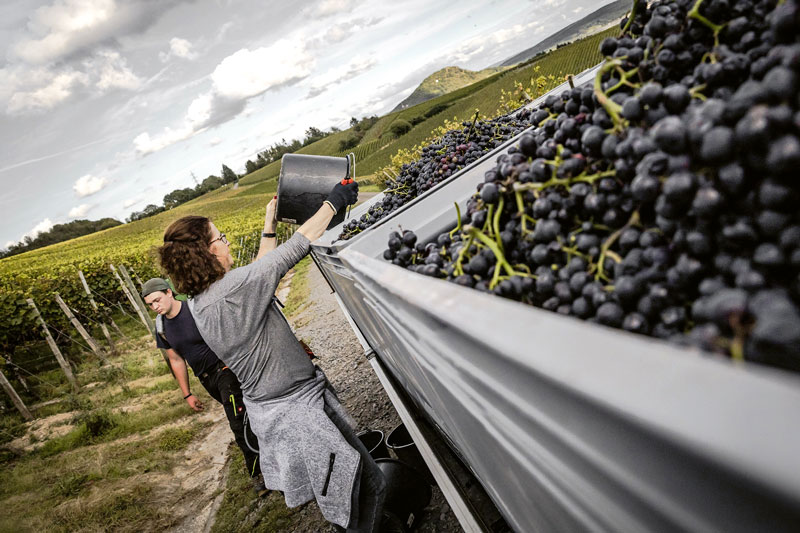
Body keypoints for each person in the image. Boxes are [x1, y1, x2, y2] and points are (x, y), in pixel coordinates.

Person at [158, 182, 387, 532]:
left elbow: (260, 270)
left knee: (355, 493)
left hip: (282, 408)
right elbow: (298, 245)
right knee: (357, 498)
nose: (227, 243)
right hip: (296, 412)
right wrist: (334, 201)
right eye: (220, 239)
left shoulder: (203, 301)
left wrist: (270, 220)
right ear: (206, 251)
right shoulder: (234, 290)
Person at [141, 277, 268, 498]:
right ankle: (274, 453)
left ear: (169, 292)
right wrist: (187, 394)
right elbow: (176, 360)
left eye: (157, 300)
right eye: (150, 305)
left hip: (225, 369)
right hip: (207, 380)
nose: (155, 307)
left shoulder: (194, 308)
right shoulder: (161, 327)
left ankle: (259, 474)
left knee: (238, 423)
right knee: (248, 416)